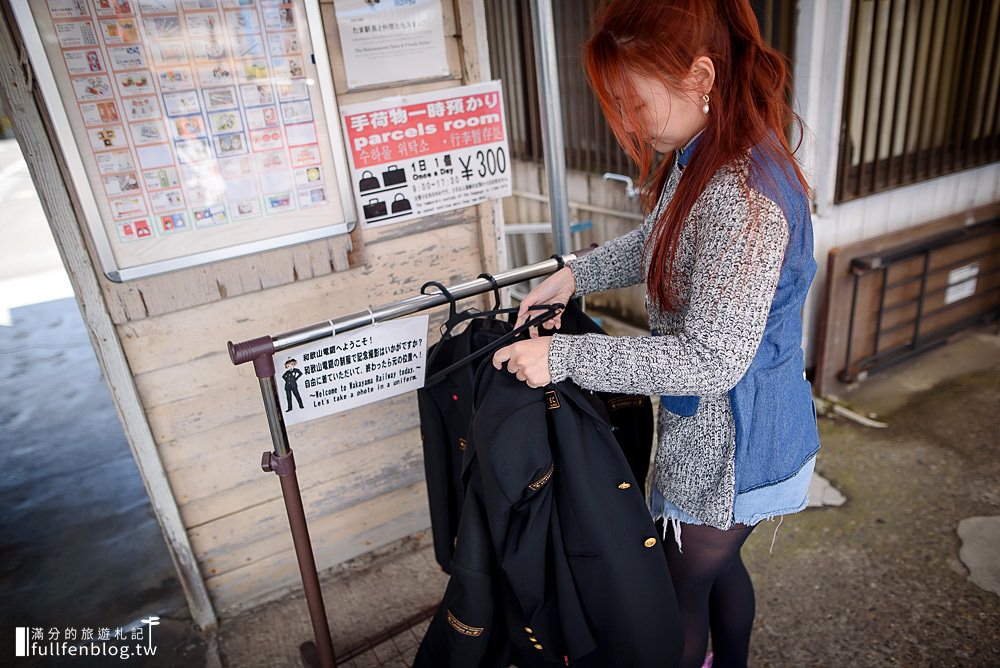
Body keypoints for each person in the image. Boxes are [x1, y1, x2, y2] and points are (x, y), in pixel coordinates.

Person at [491, 1, 821, 667]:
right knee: (716, 573)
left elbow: (710, 360)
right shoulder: (709, 148)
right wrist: (574, 275)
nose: (629, 125)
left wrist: (560, 355)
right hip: (728, 432)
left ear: (701, 76)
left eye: (636, 102)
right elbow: (661, 242)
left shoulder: (741, 194)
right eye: (617, 103)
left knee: (675, 591)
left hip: (735, 450)